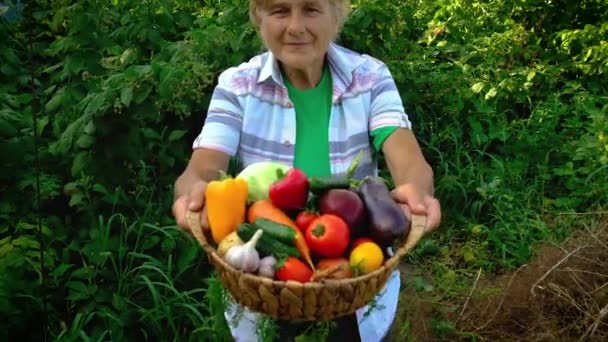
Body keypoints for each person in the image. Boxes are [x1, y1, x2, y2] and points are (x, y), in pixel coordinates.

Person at [172, 0, 441, 340]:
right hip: (263, 283)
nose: (295, 26)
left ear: (337, 16)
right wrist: (193, 191)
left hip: (357, 282)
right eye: (279, 11)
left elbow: (408, 160)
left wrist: (415, 188)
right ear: (259, 17)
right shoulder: (238, 85)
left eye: (311, 9)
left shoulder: (370, 78)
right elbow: (204, 167)